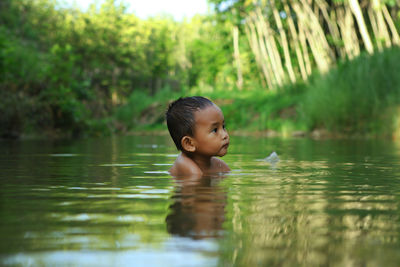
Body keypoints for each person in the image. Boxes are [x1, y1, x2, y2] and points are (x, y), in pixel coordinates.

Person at [165, 96, 230, 176]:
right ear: (189, 144)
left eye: (223, 127)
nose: (225, 135)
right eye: (215, 130)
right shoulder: (187, 167)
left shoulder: (218, 165)